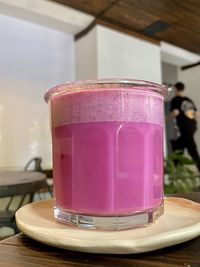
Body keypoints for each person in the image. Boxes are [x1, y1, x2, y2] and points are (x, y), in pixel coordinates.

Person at [170, 82, 200, 172]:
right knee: (178, 148)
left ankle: (175, 174)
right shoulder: (188, 100)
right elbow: (197, 113)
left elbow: (175, 112)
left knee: (192, 151)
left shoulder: (175, 99)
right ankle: (175, 173)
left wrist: (166, 118)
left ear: (176, 89)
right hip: (192, 126)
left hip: (185, 128)